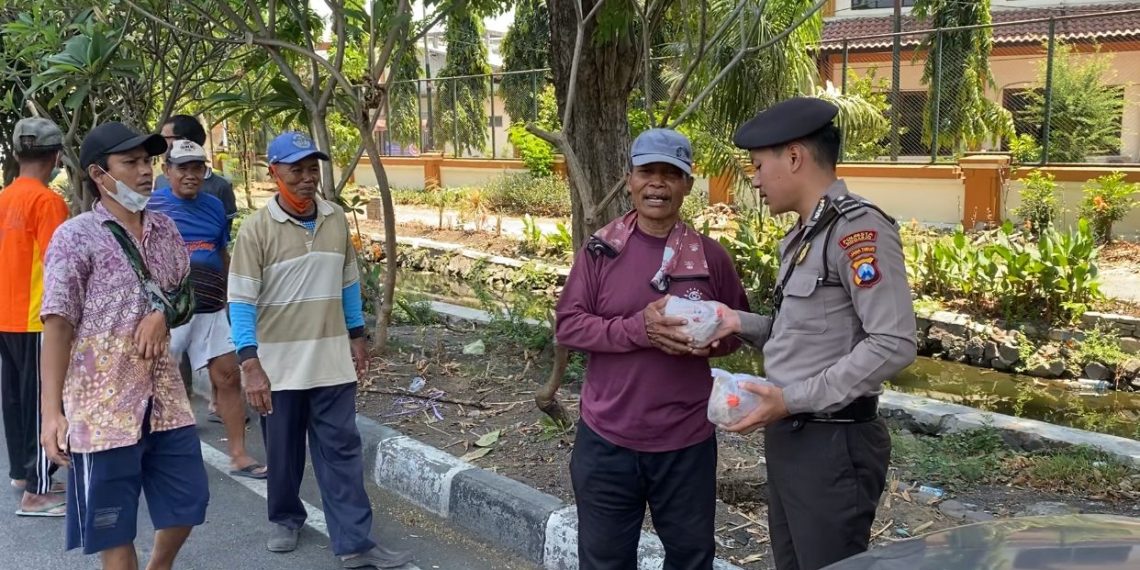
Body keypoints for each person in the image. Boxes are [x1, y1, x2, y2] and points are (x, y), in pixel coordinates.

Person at [700, 97, 918, 570]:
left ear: (794, 157)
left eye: (758, 166)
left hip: (831, 443)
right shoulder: (804, 236)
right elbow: (805, 333)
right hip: (792, 434)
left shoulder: (856, 231)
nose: (753, 180)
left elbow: (894, 342)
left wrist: (792, 399)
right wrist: (738, 321)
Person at [554, 128, 750, 569]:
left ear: (687, 185)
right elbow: (569, 326)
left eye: (670, 174)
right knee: (605, 560)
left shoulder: (710, 258)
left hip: (685, 444)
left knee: (691, 557)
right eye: (647, 172)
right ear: (630, 180)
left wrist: (711, 342)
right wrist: (639, 329)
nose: (657, 183)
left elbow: (738, 330)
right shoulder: (601, 251)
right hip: (607, 440)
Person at [228, 131, 413, 568]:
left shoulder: (334, 219)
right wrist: (249, 364)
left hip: (331, 362)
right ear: (274, 172)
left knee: (341, 451)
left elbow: (348, 282)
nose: (308, 177)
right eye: (297, 169)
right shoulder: (256, 231)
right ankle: (286, 517)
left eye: (313, 168)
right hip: (280, 367)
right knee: (283, 451)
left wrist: (357, 334)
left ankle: (354, 543)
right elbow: (240, 302)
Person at [40, 122, 209, 570]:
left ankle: (159, 566)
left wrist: (161, 316)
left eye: (148, 161)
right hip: (102, 410)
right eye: (130, 163)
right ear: (99, 174)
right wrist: (52, 413)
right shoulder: (75, 237)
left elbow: (185, 296)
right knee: (113, 527)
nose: (145, 172)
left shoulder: (166, 229)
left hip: (166, 402)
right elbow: (56, 326)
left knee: (189, 501)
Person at [147, 139, 267, 479]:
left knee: (228, 376)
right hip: (168, 311)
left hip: (212, 306)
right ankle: (155, 453)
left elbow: (220, 251)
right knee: (159, 381)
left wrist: (235, 296)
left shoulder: (215, 206)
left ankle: (239, 455)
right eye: (182, 167)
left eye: (197, 167)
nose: (190, 174)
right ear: (166, 170)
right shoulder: (151, 207)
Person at [0, 117, 70, 517]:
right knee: (46, 402)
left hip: (5, 317)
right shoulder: (47, 202)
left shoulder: (4, 197)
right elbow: (59, 265)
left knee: (15, 400)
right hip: (36, 318)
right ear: (55, 156)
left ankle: (22, 474)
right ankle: (38, 491)